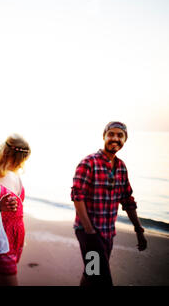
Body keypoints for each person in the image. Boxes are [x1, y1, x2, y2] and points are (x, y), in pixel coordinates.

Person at [71, 121, 147, 286]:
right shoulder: (89, 163)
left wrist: (139, 230)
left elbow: (127, 200)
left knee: (91, 273)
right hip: (88, 233)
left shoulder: (121, 168)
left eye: (120, 135)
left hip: (108, 233)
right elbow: (77, 196)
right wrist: (90, 231)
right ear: (104, 136)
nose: (115, 138)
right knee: (102, 279)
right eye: (111, 134)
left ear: (125, 140)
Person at [0, 134, 31, 286]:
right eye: (22, 160)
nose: (22, 164)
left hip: (16, 238)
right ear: (16, 158)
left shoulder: (15, 175)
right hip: (1, 239)